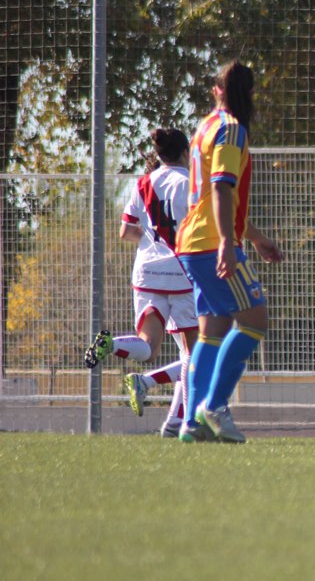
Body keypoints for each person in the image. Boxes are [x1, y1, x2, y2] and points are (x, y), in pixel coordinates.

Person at [175, 60, 284, 443]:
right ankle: (214, 406)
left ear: (216, 90)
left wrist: (251, 236)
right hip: (212, 242)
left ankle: (190, 422)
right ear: (248, 94)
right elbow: (221, 188)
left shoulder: (204, 126)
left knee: (212, 330)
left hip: (192, 242)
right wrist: (228, 241)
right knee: (255, 321)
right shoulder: (231, 129)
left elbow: (212, 196)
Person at [83, 128, 199, 438]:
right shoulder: (188, 182)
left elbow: (127, 231)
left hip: (146, 274)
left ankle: (114, 344)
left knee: (147, 348)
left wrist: (152, 241)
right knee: (194, 354)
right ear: (185, 153)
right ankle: (185, 425)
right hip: (182, 274)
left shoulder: (144, 183)